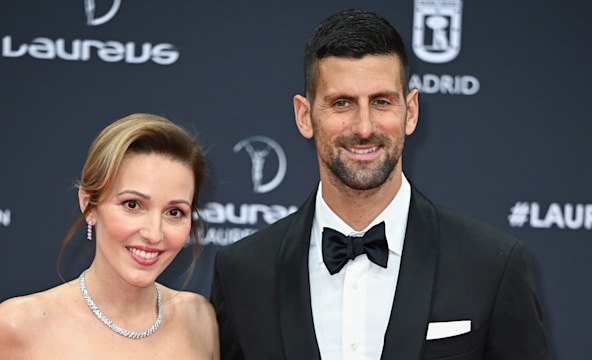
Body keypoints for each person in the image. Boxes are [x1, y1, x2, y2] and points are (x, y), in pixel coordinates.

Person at [211, 9, 549, 359]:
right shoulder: (243, 273)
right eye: (342, 103)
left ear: (411, 111)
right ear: (304, 115)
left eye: (381, 102)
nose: (363, 127)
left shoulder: (491, 265)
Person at [0, 113, 219, 359]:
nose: (154, 234)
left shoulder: (199, 320)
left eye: (174, 212)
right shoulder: (19, 326)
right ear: (89, 205)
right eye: (132, 205)